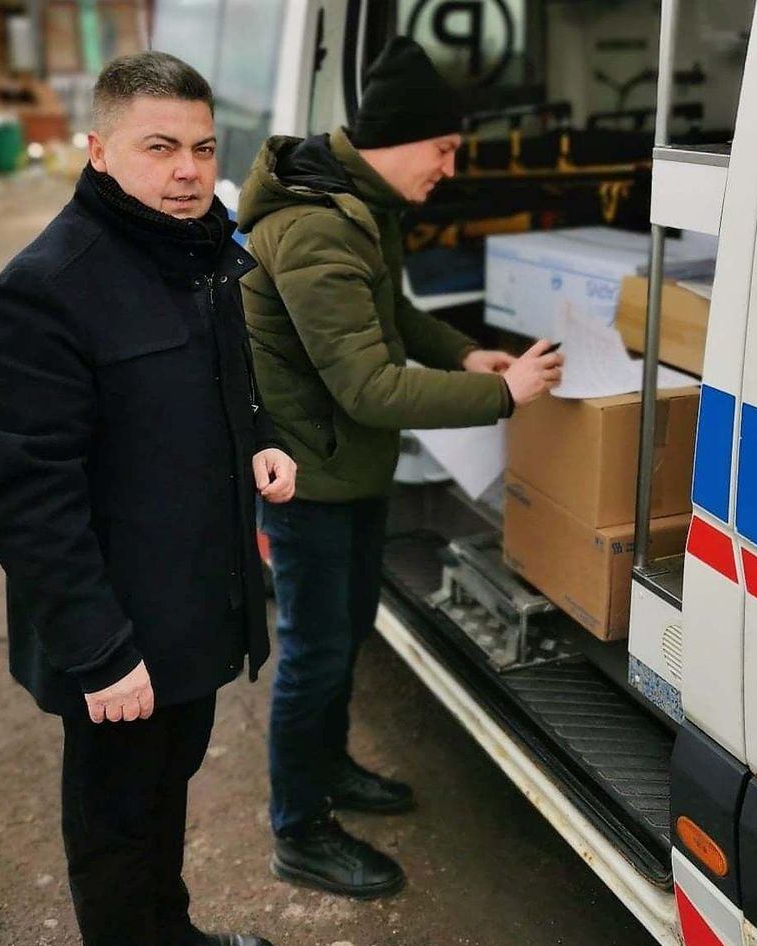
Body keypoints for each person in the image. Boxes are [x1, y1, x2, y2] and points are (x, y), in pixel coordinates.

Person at [0, 52, 296, 946]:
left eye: (201, 147)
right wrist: (101, 652)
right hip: (117, 631)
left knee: (171, 781)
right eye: (160, 147)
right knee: (114, 812)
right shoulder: (45, 293)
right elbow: (29, 502)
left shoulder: (195, 254)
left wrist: (261, 437)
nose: (188, 168)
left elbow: (225, 378)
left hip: (199, 599)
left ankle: (171, 930)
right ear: (99, 148)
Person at [237, 36, 563, 900]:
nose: (450, 169)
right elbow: (369, 386)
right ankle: (298, 830)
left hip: (351, 469)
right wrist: (505, 398)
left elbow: (391, 313)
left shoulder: (357, 205)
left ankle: (330, 771)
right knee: (313, 650)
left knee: (344, 634)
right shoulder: (312, 228)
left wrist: (468, 355)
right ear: (397, 139)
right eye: (445, 149)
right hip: (309, 476)